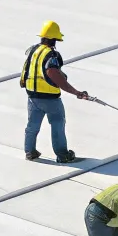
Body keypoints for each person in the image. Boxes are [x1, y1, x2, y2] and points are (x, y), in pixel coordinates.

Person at [23, 20, 91, 163]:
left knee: (32, 125)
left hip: (32, 96)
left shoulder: (33, 50)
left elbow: (27, 70)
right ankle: (62, 155)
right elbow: (53, 73)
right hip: (50, 99)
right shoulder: (51, 55)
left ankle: (30, 151)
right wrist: (76, 92)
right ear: (53, 39)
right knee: (57, 124)